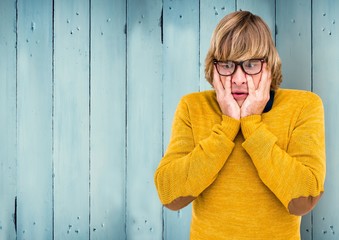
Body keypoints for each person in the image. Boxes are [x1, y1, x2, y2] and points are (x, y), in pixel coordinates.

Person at [154, 10, 326, 239]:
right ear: (213, 68)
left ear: (269, 66)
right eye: (226, 65)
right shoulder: (192, 107)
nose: (237, 78)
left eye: (251, 65)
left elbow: (304, 198)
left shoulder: (304, 106)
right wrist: (227, 128)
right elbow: (169, 194)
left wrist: (252, 125)